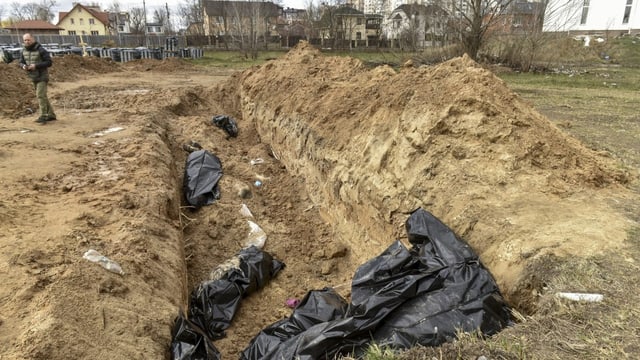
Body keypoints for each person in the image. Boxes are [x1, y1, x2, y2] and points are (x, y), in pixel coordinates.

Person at [19, 33, 57, 124]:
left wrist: (36, 66)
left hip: (42, 76)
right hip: (33, 77)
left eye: (28, 40)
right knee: (42, 96)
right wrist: (23, 66)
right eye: (25, 40)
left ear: (33, 39)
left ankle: (43, 116)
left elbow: (49, 62)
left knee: (40, 95)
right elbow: (20, 62)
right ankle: (51, 115)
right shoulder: (23, 51)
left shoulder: (41, 50)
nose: (27, 42)